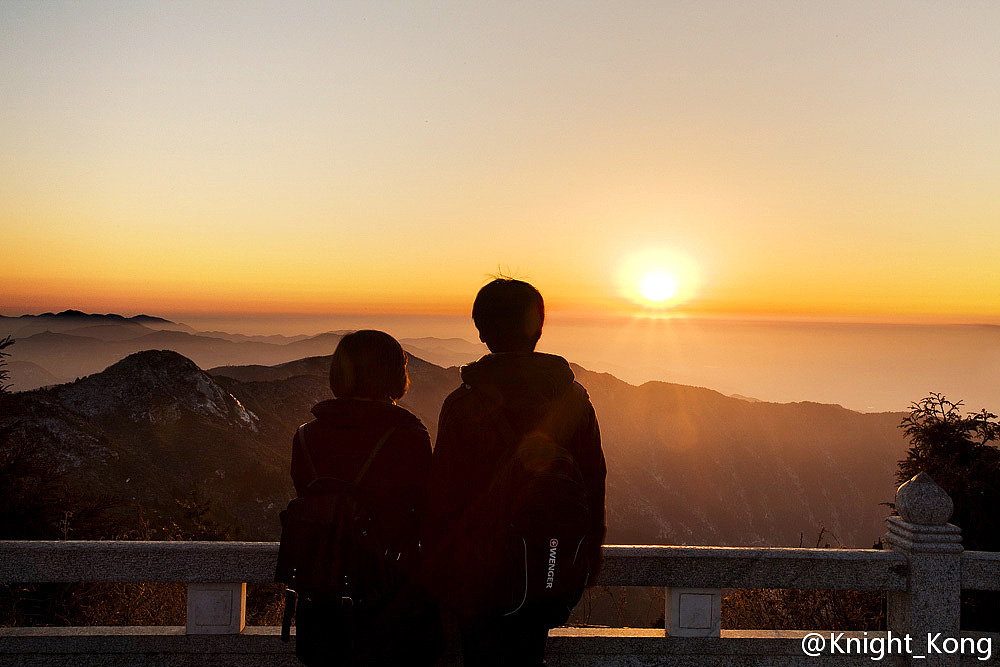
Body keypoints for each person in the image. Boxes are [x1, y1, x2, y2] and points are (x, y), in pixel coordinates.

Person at [424, 278, 607, 667]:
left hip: (479, 574)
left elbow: (443, 496)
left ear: (481, 330)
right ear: (539, 327)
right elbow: (593, 481)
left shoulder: (463, 404)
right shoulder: (572, 399)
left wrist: (442, 572)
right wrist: (587, 558)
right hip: (551, 567)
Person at [289, 329, 441, 666]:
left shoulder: (305, 437)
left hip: (322, 600)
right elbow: (424, 512)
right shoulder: (410, 437)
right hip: (391, 602)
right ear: (393, 374)